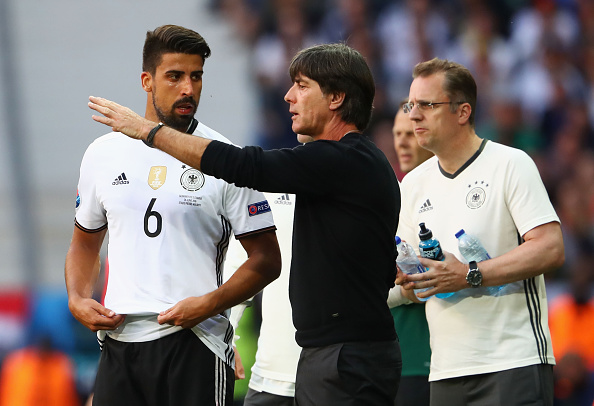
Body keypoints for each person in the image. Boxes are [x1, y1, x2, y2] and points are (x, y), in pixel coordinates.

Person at [88, 42, 402, 405]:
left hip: (348, 356)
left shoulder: (345, 160)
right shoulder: (346, 163)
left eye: (301, 85)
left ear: (336, 98)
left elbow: (246, 167)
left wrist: (149, 132)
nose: (288, 96)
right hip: (336, 353)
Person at [65, 25, 281, 406]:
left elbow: (267, 260)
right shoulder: (102, 153)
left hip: (195, 342)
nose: (188, 89)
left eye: (196, 77)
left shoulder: (224, 157)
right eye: (175, 76)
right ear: (147, 81)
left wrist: (209, 304)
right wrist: (77, 297)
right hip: (119, 342)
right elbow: (84, 244)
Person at [395, 58, 564, 406]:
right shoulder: (412, 186)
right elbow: (418, 285)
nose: (413, 116)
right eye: (412, 105)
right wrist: (410, 282)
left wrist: (471, 274)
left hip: (513, 362)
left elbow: (550, 248)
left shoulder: (510, 164)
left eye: (427, 105)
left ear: (462, 112)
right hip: (444, 372)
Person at [390, 99, 433, 406]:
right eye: (396, 133)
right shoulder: (386, 196)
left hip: (436, 355)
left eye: (410, 132)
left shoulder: (445, 196)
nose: (403, 141)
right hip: (396, 354)